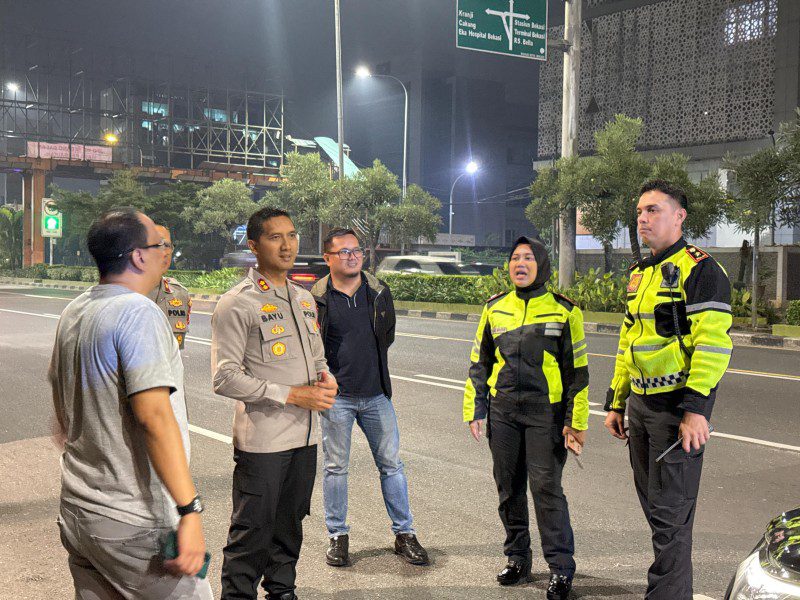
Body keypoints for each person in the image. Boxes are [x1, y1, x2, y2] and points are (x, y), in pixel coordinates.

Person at [49, 208, 212, 599]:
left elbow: (62, 418)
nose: (165, 252)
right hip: (133, 521)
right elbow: (154, 417)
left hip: (80, 510)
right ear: (139, 256)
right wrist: (189, 510)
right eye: (159, 244)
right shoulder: (138, 312)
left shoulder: (76, 310)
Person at [603, 179, 732, 599]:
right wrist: (617, 401)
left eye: (653, 210)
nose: (643, 218)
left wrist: (696, 411)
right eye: (640, 211)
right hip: (641, 408)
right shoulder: (640, 274)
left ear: (680, 216)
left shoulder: (701, 270)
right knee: (659, 515)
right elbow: (628, 341)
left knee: (670, 518)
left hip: (676, 411)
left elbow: (712, 346)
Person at [212, 207, 337, 600]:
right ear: (254, 245)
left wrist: (326, 376)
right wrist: (292, 394)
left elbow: (316, 357)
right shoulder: (238, 302)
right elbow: (224, 377)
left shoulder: (303, 298)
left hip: (305, 437)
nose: (287, 246)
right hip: (264, 442)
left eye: (292, 235)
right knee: (252, 532)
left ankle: (282, 591)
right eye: (275, 237)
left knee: (289, 527)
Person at [463, 236, 588, 600]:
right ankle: (517, 558)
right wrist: (475, 409)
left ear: (542, 264)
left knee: (546, 490)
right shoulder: (495, 308)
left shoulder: (564, 311)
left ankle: (561, 568)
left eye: (528, 258)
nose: (520, 263)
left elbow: (577, 374)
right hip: (503, 411)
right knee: (508, 487)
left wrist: (575, 421)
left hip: (545, 414)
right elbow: (480, 363)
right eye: (515, 257)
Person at [310, 228, 429, 568]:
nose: (352, 256)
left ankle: (404, 534)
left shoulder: (378, 291)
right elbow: (312, 344)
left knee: (392, 466)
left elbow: (386, 335)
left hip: (376, 394)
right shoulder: (315, 297)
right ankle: (338, 536)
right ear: (328, 258)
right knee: (336, 468)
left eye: (356, 250)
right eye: (344, 252)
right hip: (337, 398)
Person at [148, 225, 192, 349]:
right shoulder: (122, 295)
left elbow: (176, 351)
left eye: (167, 245)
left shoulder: (179, 294)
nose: (164, 252)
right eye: (157, 245)